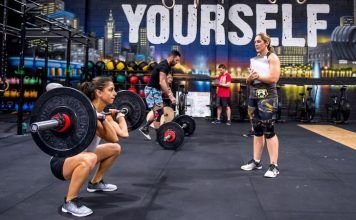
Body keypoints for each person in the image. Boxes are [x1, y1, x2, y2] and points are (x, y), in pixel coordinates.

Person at [49, 77, 129, 217]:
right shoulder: (86, 113)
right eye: (111, 90)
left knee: (114, 149)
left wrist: (120, 116)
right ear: (98, 92)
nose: (115, 93)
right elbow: (50, 87)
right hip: (61, 162)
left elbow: (121, 135)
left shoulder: (103, 114)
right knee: (90, 157)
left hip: (84, 154)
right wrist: (100, 119)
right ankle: (70, 202)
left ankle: (95, 183)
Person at [240, 33, 281, 178]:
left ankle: (274, 166)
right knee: (256, 129)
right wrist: (250, 78)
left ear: (266, 43)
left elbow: (274, 78)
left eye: (258, 42)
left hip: (268, 97)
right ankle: (256, 162)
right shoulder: (255, 60)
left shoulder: (272, 57)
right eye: (255, 42)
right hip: (254, 96)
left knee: (268, 130)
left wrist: (257, 76)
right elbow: (248, 81)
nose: (256, 44)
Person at [139, 50, 180, 140]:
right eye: (176, 60)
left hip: (155, 91)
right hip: (151, 91)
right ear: (172, 57)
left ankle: (145, 128)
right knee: (158, 112)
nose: (177, 63)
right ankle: (159, 137)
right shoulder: (164, 66)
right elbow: (162, 82)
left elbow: (165, 81)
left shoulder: (167, 66)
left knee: (158, 113)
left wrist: (171, 93)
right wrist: (170, 95)